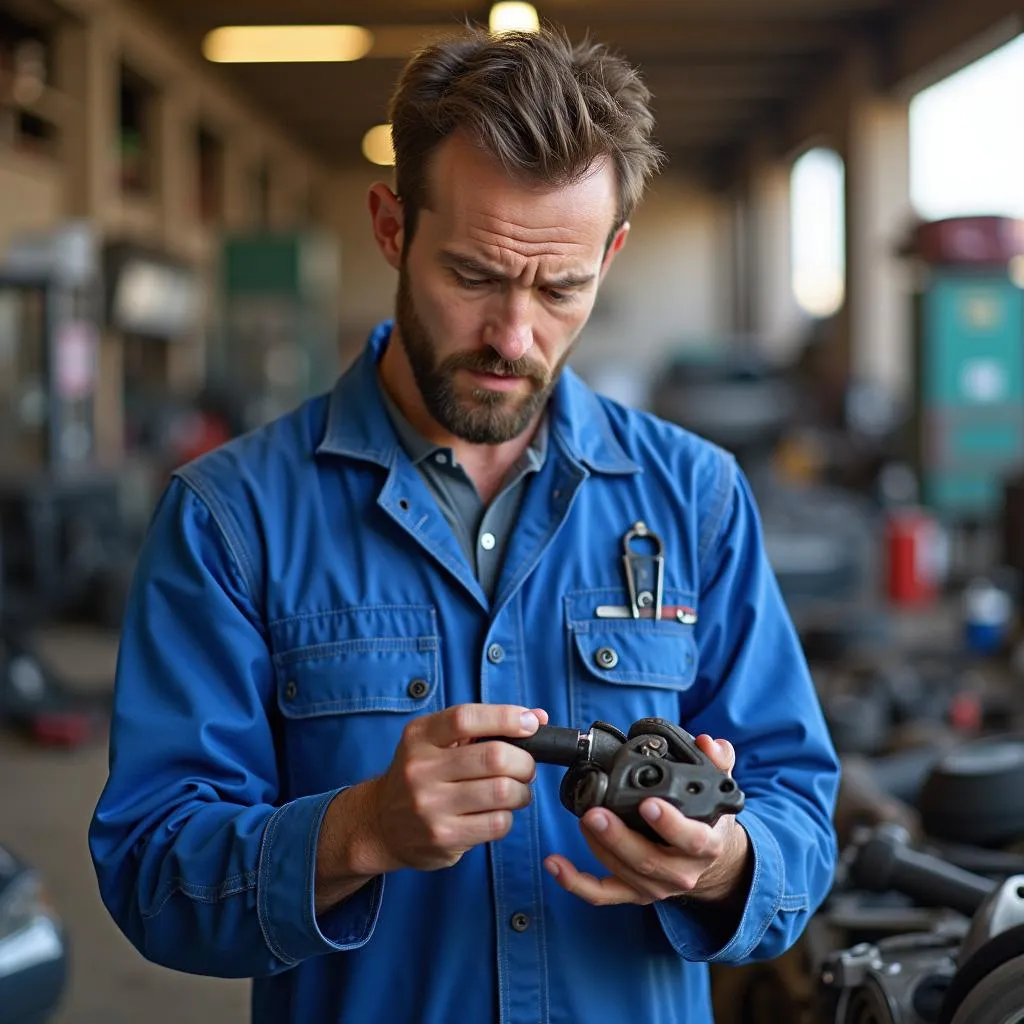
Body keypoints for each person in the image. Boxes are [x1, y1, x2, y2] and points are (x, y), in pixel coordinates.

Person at [89, 25, 840, 1024]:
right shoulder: (233, 519)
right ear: (392, 226)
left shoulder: (693, 496)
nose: (513, 335)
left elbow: (799, 807)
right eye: (475, 275)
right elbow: (149, 868)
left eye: (560, 285)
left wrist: (726, 860)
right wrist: (359, 829)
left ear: (610, 256)